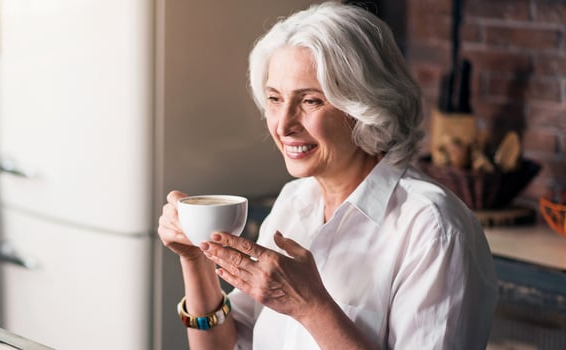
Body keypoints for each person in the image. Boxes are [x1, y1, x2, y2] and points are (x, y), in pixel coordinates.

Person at [156, 1, 498, 349]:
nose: (284, 125)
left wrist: (310, 307)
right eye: (275, 99)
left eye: (310, 101)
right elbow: (226, 345)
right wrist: (195, 258)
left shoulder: (433, 229)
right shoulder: (294, 200)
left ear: (364, 107)